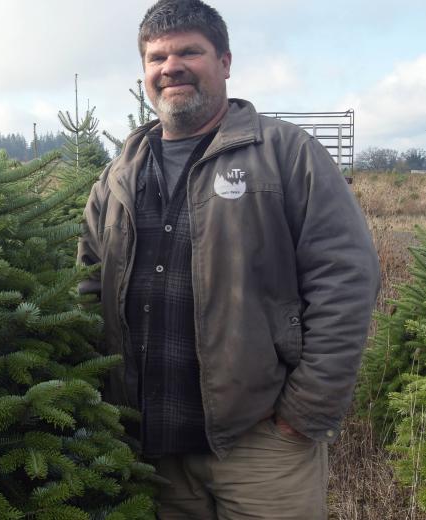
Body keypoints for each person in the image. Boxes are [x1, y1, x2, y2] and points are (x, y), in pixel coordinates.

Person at [77, 1, 380, 518]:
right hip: (155, 449)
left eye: (189, 51)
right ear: (145, 74)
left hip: (262, 442)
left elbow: (346, 280)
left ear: (225, 61)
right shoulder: (118, 176)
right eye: (157, 57)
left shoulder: (286, 153)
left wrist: (303, 413)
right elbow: (86, 290)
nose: (171, 66)